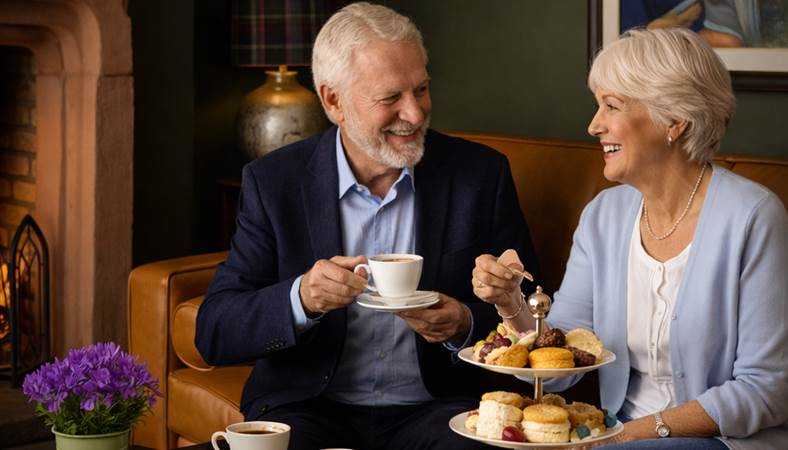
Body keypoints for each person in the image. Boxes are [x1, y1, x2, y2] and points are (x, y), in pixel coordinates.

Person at [195, 3, 537, 449]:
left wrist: (465, 325)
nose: (415, 113)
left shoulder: (480, 174)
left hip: (439, 409)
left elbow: (535, 311)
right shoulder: (274, 182)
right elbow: (215, 332)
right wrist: (302, 298)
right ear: (333, 100)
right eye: (390, 98)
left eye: (421, 89)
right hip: (309, 407)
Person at [472, 28, 788, 449]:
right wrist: (511, 303)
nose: (594, 125)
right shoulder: (603, 216)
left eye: (612, 106)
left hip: (724, 441)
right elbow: (561, 363)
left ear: (674, 120)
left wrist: (626, 435)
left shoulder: (753, 217)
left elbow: (768, 388)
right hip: (618, 434)